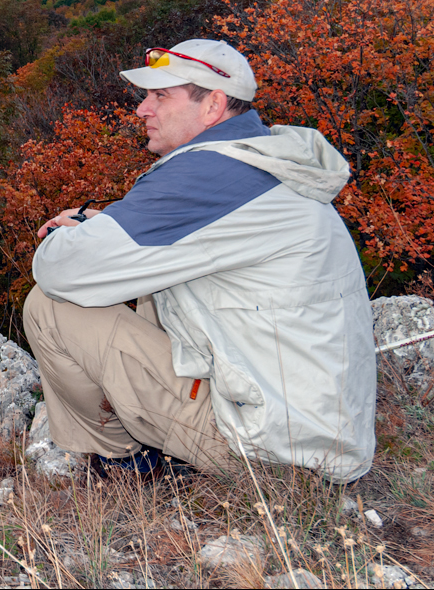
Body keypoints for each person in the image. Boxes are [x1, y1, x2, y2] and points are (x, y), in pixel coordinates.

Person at [22, 38, 375, 483]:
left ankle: (129, 462)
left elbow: (59, 270)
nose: (142, 110)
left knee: (49, 306)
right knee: (152, 276)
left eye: (160, 96)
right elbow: (187, 239)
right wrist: (104, 223)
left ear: (213, 105)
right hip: (320, 436)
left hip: (269, 453)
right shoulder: (263, 160)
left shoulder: (205, 176)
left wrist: (65, 233)